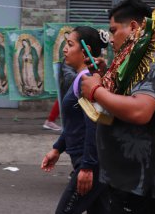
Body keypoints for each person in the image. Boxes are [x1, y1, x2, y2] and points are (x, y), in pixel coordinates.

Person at [81, 0, 155, 214]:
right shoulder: (135, 59)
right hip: (127, 179)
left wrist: (95, 91)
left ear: (133, 27)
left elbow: (140, 111)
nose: (110, 39)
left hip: (145, 185)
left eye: (113, 31)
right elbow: (124, 99)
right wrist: (104, 77)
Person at [41, 26, 110, 214]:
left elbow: (93, 125)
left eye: (70, 45)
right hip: (89, 161)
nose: (65, 49)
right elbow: (75, 123)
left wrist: (87, 167)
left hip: (90, 162)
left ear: (84, 50)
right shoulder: (81, 78)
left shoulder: (87, 81)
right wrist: (57, 149)